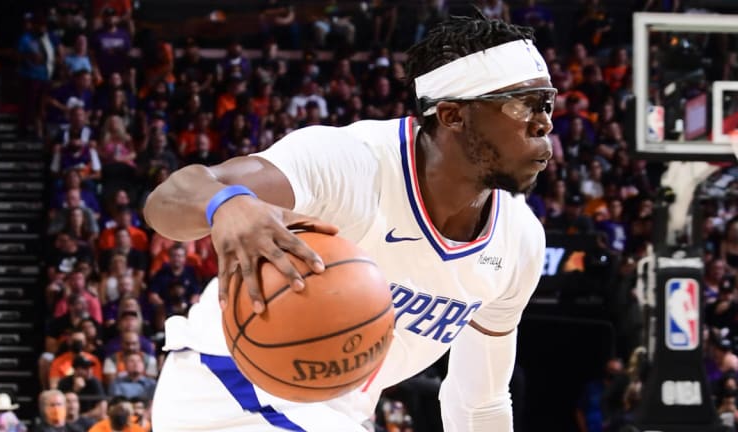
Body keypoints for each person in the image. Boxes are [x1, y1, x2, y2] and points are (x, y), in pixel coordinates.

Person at [146, 12, 552, 431]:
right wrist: (226, 204)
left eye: (547, 104)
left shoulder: (519, 242)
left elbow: (478, 402)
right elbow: (165, 202)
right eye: (522, 104)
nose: (544, 123)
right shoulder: (349, 163)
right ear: (451, 115)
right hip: (226, 391)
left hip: (336, 412)